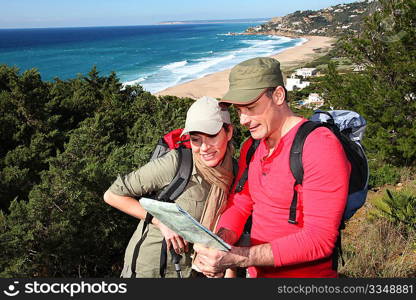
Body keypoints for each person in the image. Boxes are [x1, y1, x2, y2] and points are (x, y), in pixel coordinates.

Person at [193, 57, 351, 278]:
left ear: (278, 95)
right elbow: (241, 203)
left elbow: (320, 239)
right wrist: (220, 240)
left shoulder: (318, 146)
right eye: (239, 111)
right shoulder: (252, 146)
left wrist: (240, 257)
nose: (243, 120)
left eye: (251, 107)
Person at [104, 96, 235, 278]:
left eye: (212, 136)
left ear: (229, 132)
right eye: (196, 139)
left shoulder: (236, 173)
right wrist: (161, 221)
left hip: (195, 273)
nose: (204, 147)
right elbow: (112, 195)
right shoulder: (177, 163)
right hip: (150, 269)